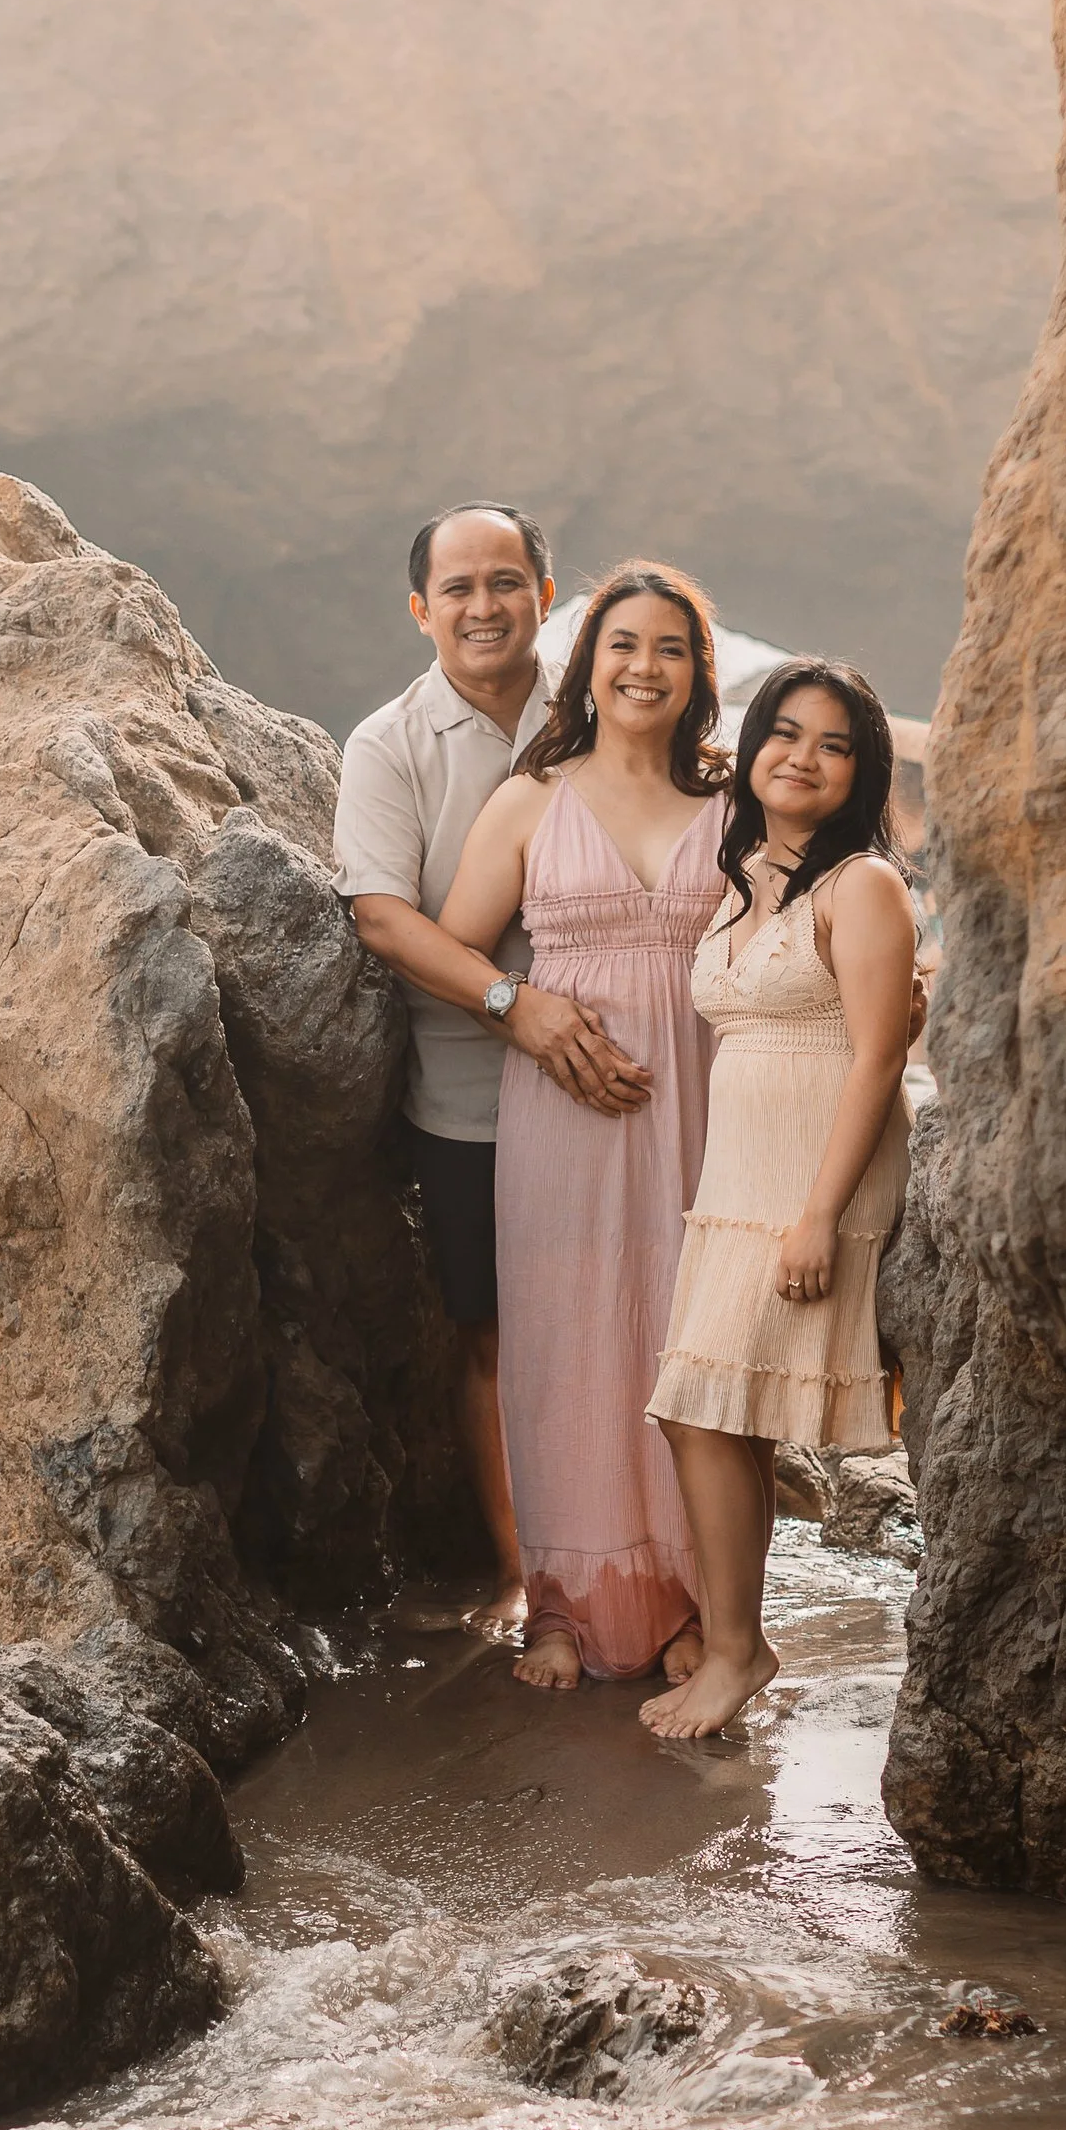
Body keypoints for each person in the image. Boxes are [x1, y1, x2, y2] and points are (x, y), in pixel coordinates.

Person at [334, 503, 650, 1638]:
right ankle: (532, 1580)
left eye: (506, 582)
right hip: (471, 1084)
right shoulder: (388, 745)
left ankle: (650, 1560)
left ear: (545, 597)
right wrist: (516, 1007)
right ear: (421, 610)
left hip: (624, 1072)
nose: (484, 607)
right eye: (458, 589)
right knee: (494, 1332)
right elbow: (381, 917)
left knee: (634, 1312)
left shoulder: (606, 707)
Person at [437, 563, 728, 1688]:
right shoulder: (531, 801)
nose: (645, 667)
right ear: (588, 664)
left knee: (689, 1339)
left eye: (670, 648)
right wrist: (525, 1008)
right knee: (567, 1340)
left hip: (705, 1108)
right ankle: (564, 1605)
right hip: (563, 1111)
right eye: (624, 644)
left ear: (697, 674)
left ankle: (696, 1605)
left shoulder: (733, 805)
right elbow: (455, 945)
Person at [643, 661, 917, 1742]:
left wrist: (818, 1216)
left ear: (861, 773)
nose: (802, 757)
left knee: (699, 1410)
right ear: (752, 746)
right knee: (722, 1415)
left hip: (813, 1181)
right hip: (738, 1180)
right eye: (785, 733)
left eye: (833, 744)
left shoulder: (864, 885)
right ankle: (737, 1642)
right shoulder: (747, 875)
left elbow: (880, 1057)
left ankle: (734, 1652)